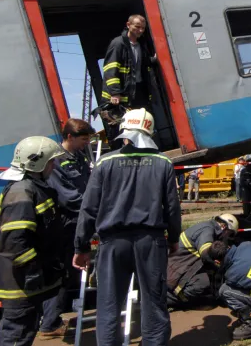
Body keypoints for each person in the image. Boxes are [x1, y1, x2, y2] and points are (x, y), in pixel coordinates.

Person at [73, 108, 182, 346]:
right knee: (154, 303)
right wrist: (174, 238)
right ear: (150, 133)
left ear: (124, 133)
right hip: (150, 242)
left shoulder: (105, 162)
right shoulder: (163, 162)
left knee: (109, 304)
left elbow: (89, 208)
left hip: (112, 243)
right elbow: (172, 208)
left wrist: (81, 247)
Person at [0, 136, 66, 346]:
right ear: (38, 163)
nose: (53, 165)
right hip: (19, 283)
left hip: (23, 281)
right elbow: (15, 242)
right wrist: (32, 271)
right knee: (16, 334)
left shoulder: (31, 187)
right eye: (51, 161)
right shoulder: (22, 191)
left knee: (23, 331)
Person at [39, 119, 95, 338]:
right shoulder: (56, 163)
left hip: (79, 222)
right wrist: (95, 208)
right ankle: (49, 324)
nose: (86, 143)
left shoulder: (79, 157)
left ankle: (51, 320)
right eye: (83, 139)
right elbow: (68, 198)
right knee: (61, 272)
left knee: (69, 272)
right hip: (65, 225)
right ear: (69, 137)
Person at [101, 15, 157, 149]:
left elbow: (143, 64)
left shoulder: (141, 44)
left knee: (140, 122)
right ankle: (125, 151)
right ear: (128, 25)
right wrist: (115, 92)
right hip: (122, 94)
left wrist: (156, 57)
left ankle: (142, 148)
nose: (140, 30)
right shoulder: (118, 43)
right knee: (124, 125)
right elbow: (110, 68)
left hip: (138, 90)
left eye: (143, 28)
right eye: (137, 27)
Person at [167, 214, 239, 308]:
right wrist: (219, 266)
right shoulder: (207, 229)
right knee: (203, 282)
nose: (229, 238)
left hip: (182, 265)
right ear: (224, 226)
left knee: (208, 276)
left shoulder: (209, 227)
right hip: (176, 271)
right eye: (230, 234)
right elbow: (206, 254)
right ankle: (173, 300)